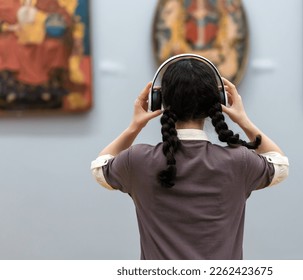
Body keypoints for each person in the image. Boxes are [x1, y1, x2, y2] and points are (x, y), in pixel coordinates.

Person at [90, 56, 289, 260]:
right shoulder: (239, 161)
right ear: (218, 102)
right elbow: (280, 164)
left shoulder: (137, 160)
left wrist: (134, 127)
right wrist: (243, 120)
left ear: (159, 101)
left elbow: (100, 168)